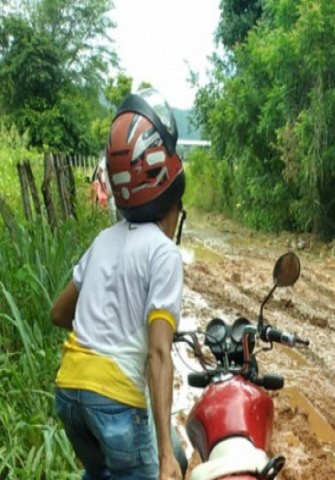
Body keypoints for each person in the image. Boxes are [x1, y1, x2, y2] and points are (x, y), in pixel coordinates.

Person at [51, 88, 187, 480]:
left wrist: (103, 331)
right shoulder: (164, 253)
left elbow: (59, 313)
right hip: (114, 403)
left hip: (70, 392)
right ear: (172, 202)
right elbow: (158, 356)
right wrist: (165, 455)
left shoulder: (103, 239)